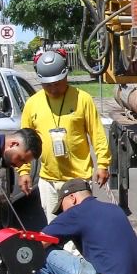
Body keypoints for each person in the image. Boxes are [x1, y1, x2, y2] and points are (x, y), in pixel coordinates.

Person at [16, 50, 113, 218]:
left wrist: (103, 164)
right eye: (47, 85)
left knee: (80, 229)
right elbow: (25, 143)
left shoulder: (82, 99)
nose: (53, 88)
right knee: (55, 231)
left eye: (57, 83)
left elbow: (97, 134)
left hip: (79, 180)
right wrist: (24, 171)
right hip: (49, 180)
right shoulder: (32, 104)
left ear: (66, 76)